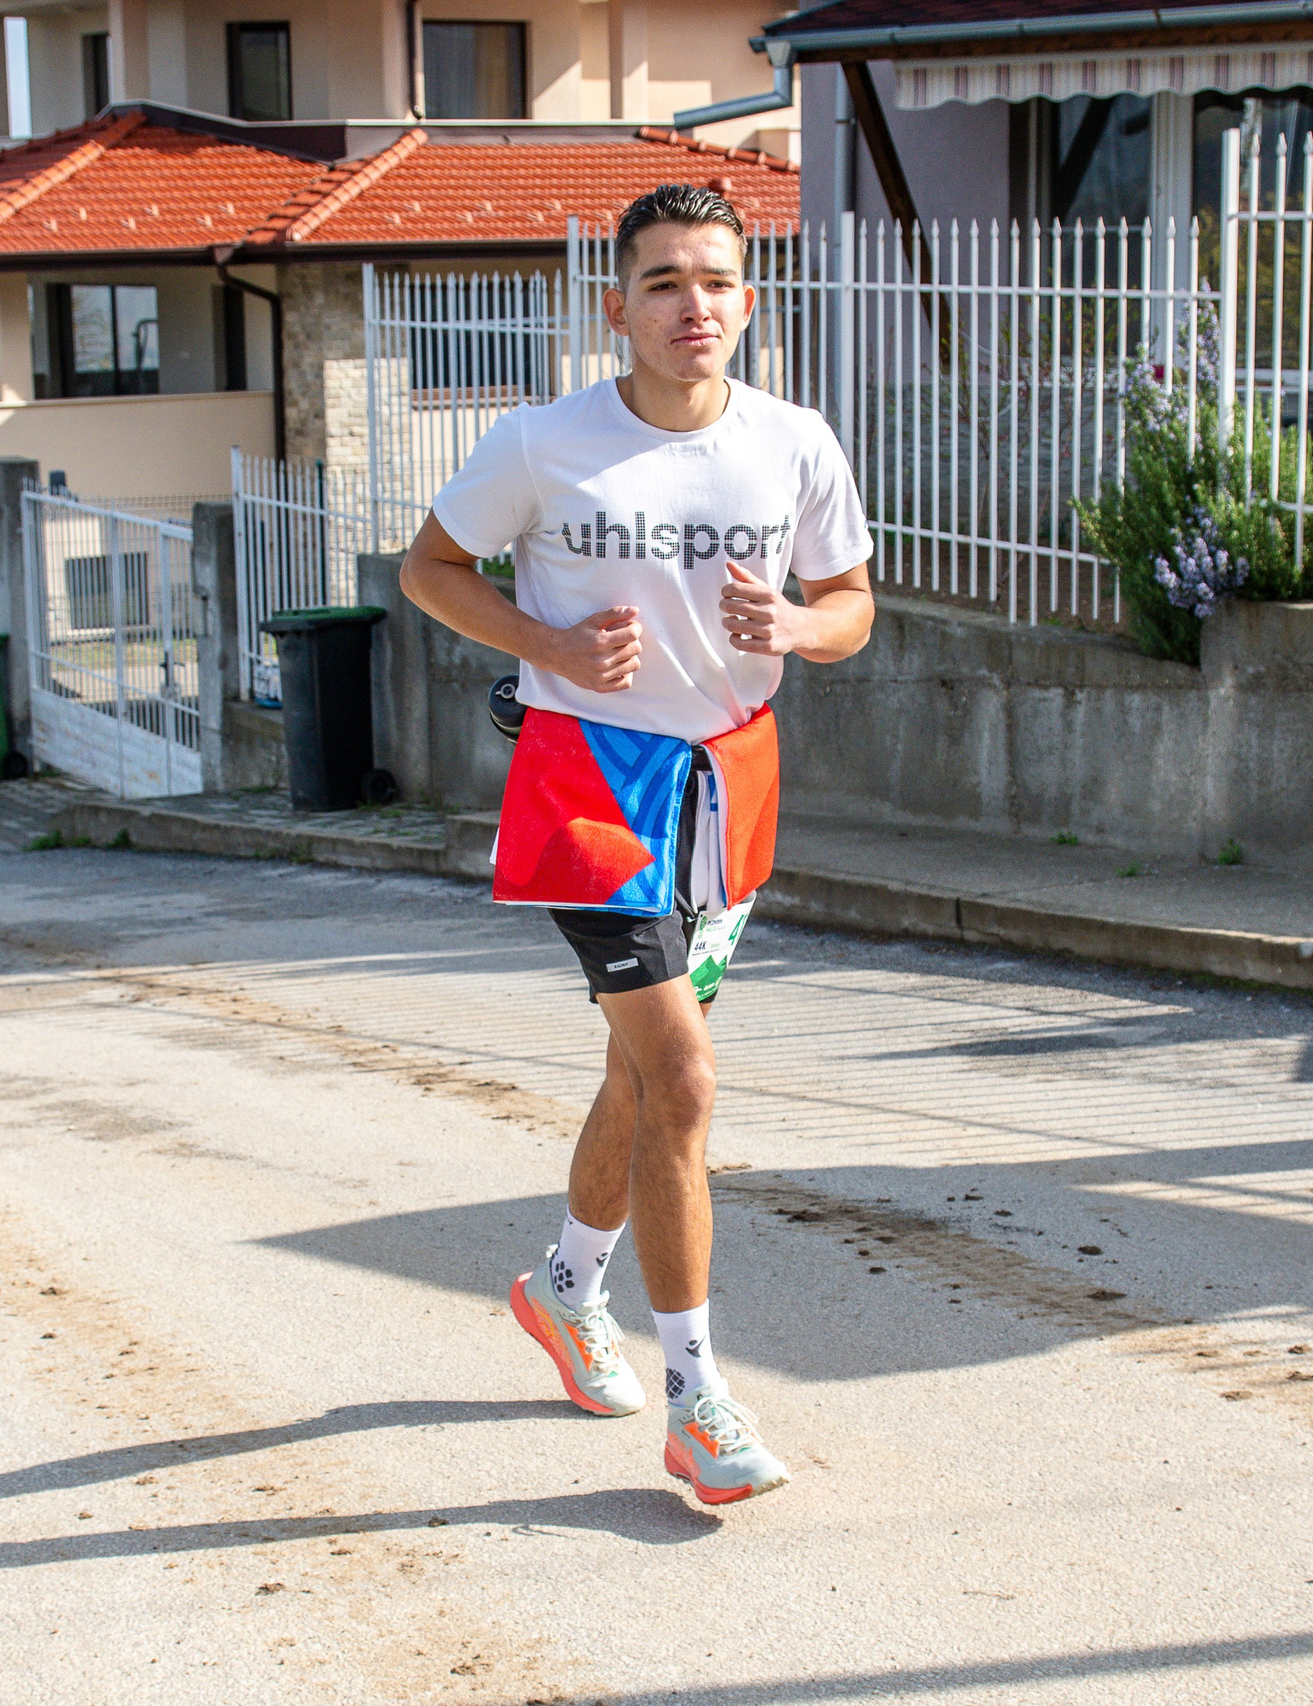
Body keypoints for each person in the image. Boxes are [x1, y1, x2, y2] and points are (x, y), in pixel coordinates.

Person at [399, 185, 875, 1506]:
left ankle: (564, 1286)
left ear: (748, 301)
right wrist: (546, 642)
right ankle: (697, 1400)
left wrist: (801, 627)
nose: (691, 304)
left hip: (725, 785)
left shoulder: (793, 442)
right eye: (662, 281)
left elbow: (850, 601)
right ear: (617, 306)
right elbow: (430, 569)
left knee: (640, 1074)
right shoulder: (544, 442)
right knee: (686, 1075)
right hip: (591, 785)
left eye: (714, 280)